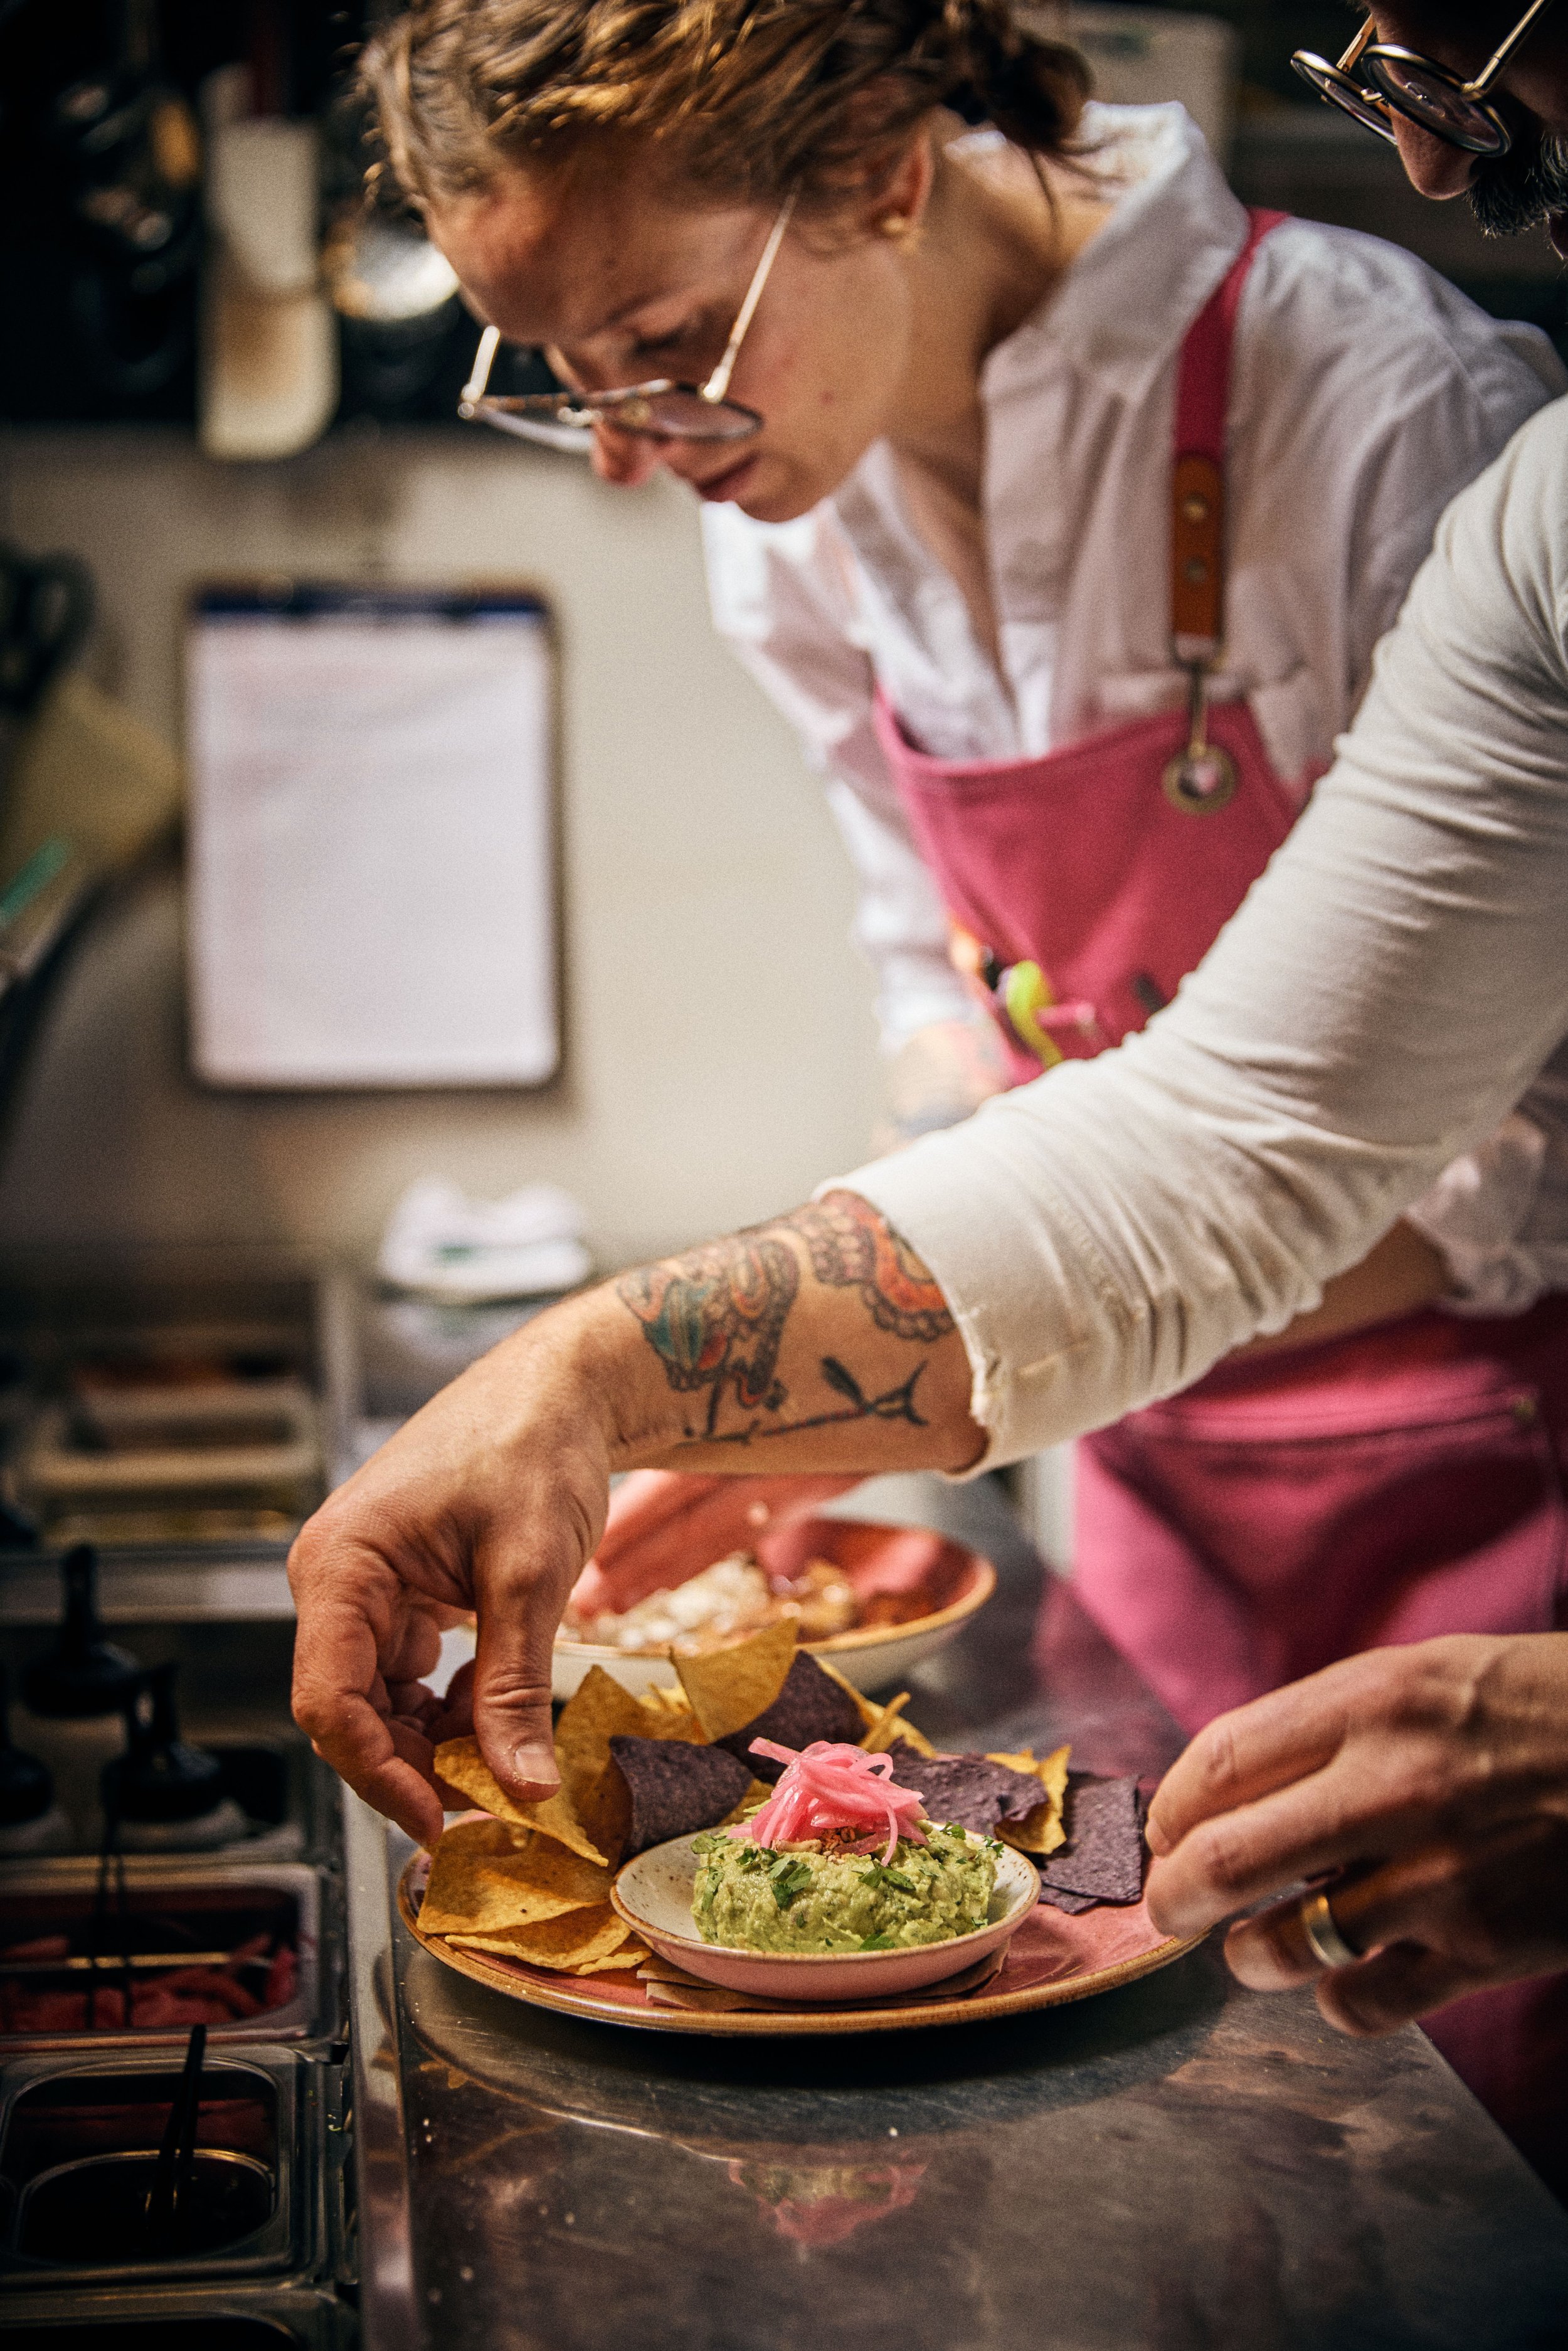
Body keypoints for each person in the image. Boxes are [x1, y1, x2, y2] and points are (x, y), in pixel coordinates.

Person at [289, 0, 1568, 2178]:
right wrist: (742, 1389)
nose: (619, 445)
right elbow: (1002, 1051)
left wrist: (668, 1372)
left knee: (1495, 2153)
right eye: (558, 378)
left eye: (663, 340)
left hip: (1477, 1479)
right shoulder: (784, 522)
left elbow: (1348, 1140)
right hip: (1148, 1468)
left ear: (883, 171)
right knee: (1215, 2158)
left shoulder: (1400, 409)